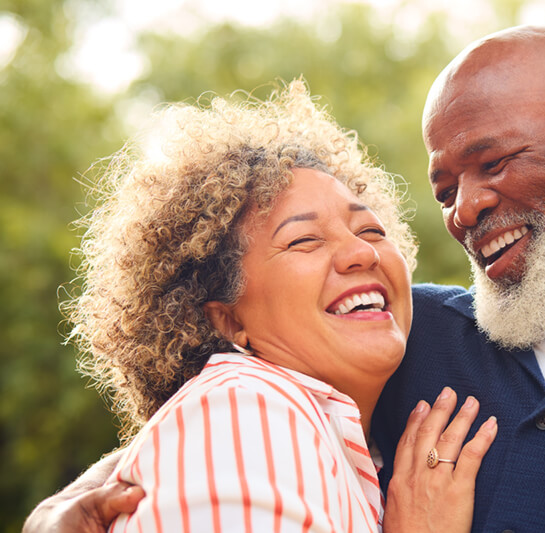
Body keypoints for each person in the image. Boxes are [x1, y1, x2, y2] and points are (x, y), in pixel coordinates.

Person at [26, 23, 545, 532]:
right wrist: (62, 509)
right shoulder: (396, 337)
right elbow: (226, 416)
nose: (464, 209)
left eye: (493, 162)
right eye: (442, 189)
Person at [25, 80, 496, 533]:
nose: (363, 252)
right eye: (304, 240)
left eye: (371, 231)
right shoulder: (245, 407)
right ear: (228, 319)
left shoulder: (335, 438)